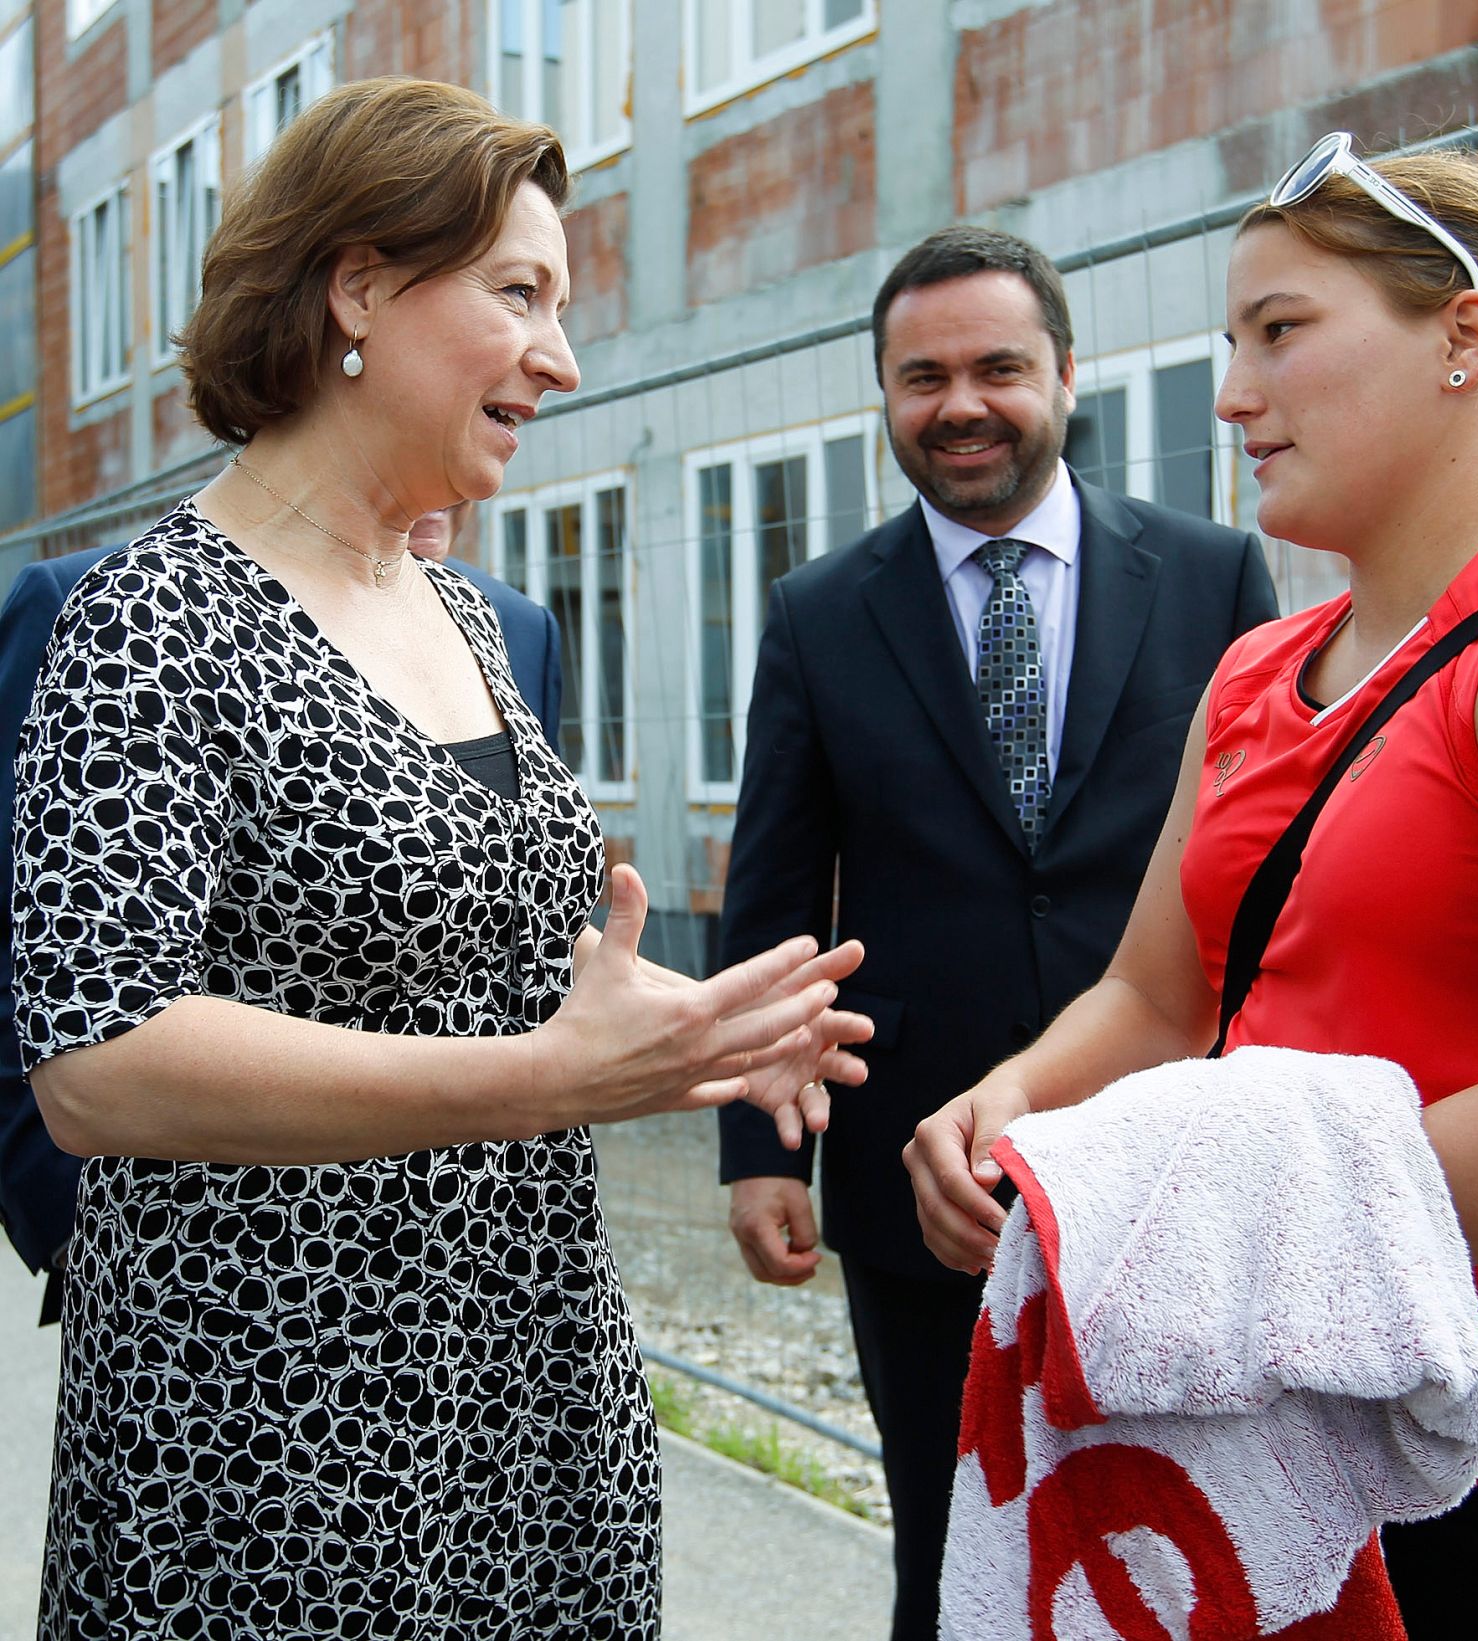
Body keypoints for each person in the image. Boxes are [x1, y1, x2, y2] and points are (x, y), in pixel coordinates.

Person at [13, 78, 870, 1641]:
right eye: (519, 293)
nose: (563, 354)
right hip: (271, 1427)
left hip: (528, 1384)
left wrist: (695, 1034)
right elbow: (98, 1058)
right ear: (360, 286)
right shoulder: (151, 619)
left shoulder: (468, 614)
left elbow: (474, 959)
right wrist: (553, 1078)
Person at [907, 135, 1478, 1638]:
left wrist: (1180, 1214)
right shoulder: (1256, 671)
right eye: (1234, 342)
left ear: (1463, 339)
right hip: (1276, 1435)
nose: (1232, 394)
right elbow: (1159, 993)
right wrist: (1012, 1105)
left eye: (1281, 331)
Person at [716, 224, 1278, 1638]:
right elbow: (775, 898)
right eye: (922, 377)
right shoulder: (820, 613)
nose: (960, 403)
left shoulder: (1213, 581)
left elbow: (1264, 871)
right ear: (886, 399)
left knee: (1184, 1544)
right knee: (954, 1550)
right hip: (923, 1181)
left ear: (1068, 376)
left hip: (1169, 1156)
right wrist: (761, 1149)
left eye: (997, 367)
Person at [0, 502, 562, 1329]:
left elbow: (515, 915)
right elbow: (44, 957)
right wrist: (67, 1223)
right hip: (236, 1285)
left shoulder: (510, 623)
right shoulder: (102, 604)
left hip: (502, 1269)